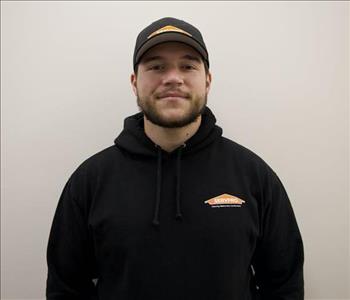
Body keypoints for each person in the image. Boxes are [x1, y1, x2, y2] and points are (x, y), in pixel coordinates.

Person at [46, 17, 304, 300]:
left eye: (188, 65)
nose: (172, 77)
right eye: (156, 66)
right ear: (134, 82)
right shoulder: (90, 181)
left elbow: (284, 285)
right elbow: (66, 288)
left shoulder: (254, 176)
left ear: (207, 80)